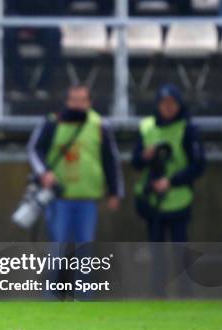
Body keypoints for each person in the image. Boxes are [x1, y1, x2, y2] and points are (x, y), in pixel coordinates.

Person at [28, 85, 123, 243]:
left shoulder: (100, 125)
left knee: (84, 245)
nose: (78, 104)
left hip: (87, 197)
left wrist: (114, 192)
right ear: (67, 101)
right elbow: (34, 149)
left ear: (90, 102)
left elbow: (110, 160)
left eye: (82, 100)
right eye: (74, 100)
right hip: (58, 196)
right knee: (56, 245)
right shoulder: (53, 121)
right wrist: (44, 172)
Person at [132, 84, 205, 242]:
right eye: (164, 103)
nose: (168, 107)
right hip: (153, 199)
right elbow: (136, 162)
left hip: (179, 199)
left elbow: (198, 165)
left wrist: (171, 181)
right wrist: (145, 155)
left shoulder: (188, 129)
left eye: (172, 103)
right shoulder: (147, 126)